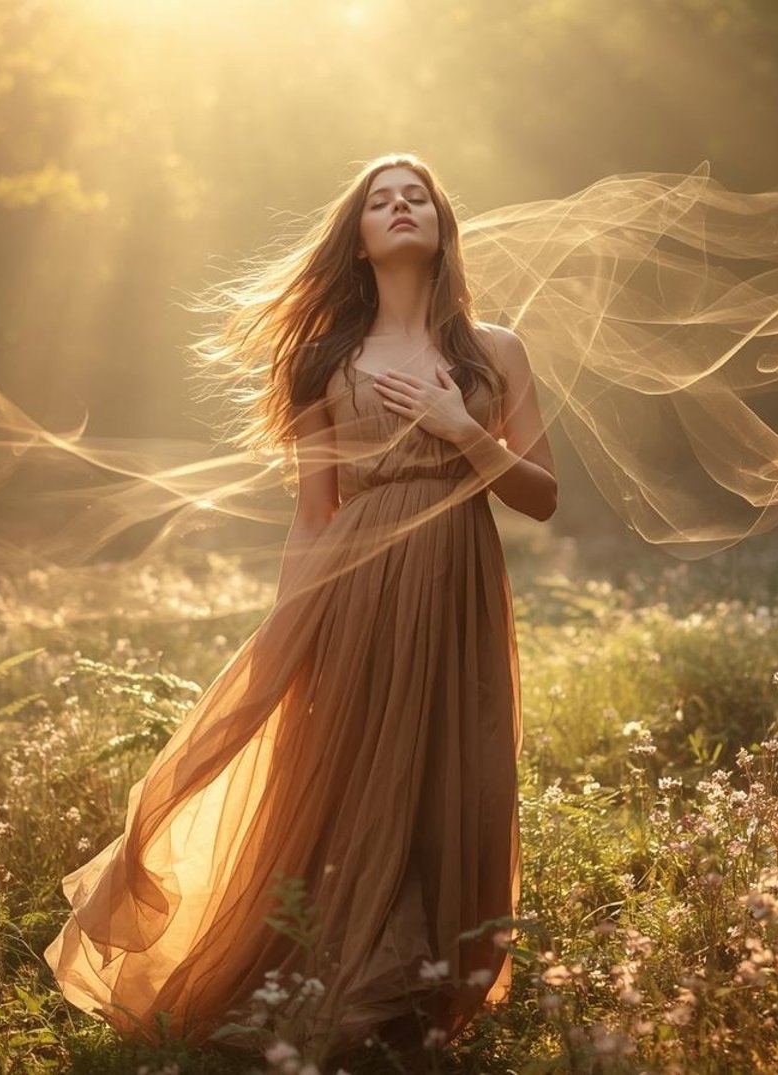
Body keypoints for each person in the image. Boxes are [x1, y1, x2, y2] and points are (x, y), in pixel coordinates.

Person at [43, 153, 557, 1072]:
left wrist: (462, 430)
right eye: (380, 201)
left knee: (453, 772)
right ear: (357, 240)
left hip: (460, 587)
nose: (400, 208)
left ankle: (427, 992)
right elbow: (314, 512)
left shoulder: (496, 349)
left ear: (443, 226)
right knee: (354, 777)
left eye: (418, 198)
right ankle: (341, 985)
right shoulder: (326, 361)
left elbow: (544, 496)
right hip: (355, 589)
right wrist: (290, 634)